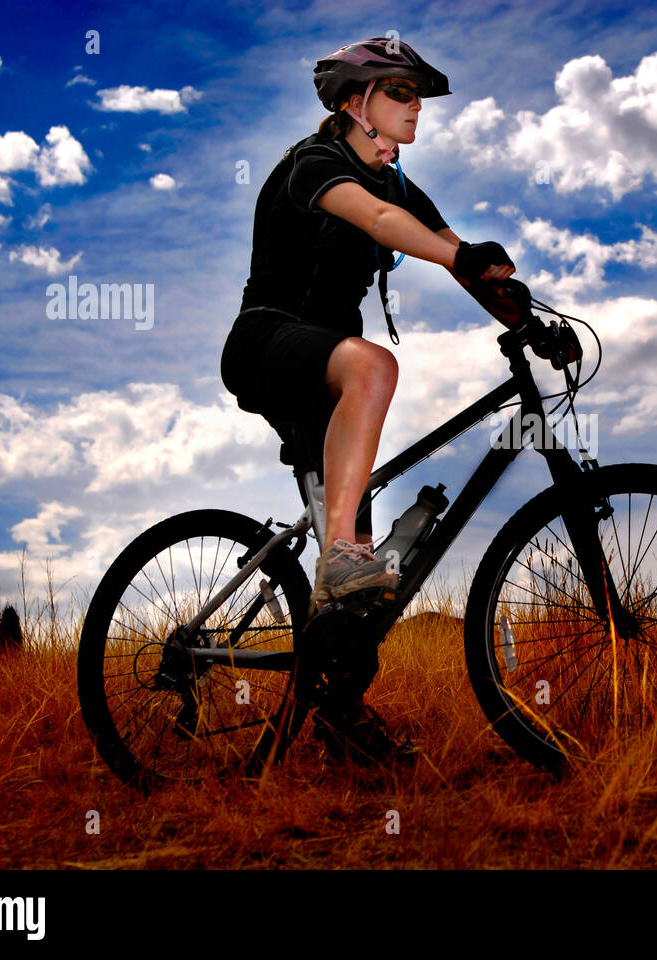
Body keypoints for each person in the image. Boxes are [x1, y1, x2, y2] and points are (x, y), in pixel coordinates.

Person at [220, 37, 526, 764]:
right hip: (269, 343)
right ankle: (340, 556)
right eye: (401, 92)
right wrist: (459, 256)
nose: (415, 106)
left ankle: (340, 715)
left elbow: (452, 249)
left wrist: (526, 317)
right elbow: (387, 229)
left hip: (329, 374)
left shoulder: (400, 183)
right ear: (357, 102)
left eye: (419, 95)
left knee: (355, 602)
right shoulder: (315, 164)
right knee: (376, 370)